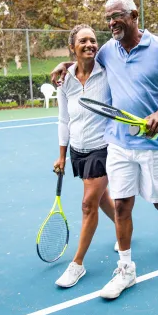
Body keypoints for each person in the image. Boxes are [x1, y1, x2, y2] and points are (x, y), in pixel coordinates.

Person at [50, 0, 158, 299]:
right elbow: (83, 60)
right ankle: (126, 269)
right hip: (119, 143)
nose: (111, 23)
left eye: (117, 16)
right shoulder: (108, 51)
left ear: (134, 15)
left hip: (156, 144)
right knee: (123, 205)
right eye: (108, 18)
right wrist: (65, 64)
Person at [52, 24, 118, 288]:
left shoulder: (108, 71)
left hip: (103, 146)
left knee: (88, 204)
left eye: (93, 40)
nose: (90, 44)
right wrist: (61, 155)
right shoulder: (64, 79)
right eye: (83, 41)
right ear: (73, 47)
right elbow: (63, 119)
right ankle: (122, 225)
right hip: (78, 150)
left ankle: (77, 264)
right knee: (101, 199)